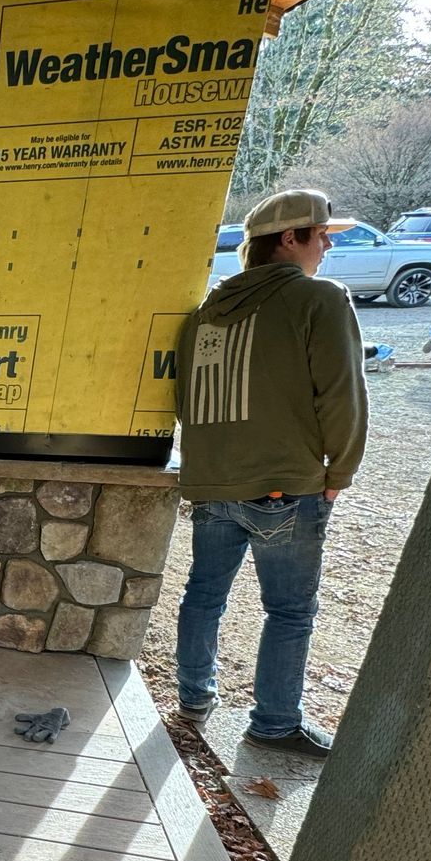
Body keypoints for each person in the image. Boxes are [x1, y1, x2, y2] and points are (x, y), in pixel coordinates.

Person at [173, 189, 367, 759]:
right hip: (285, 485)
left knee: (203, 595)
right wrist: (341, 469)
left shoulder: (205, 314)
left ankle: (192, 698)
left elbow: (187, 401)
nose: (328, 244)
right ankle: (275, 723)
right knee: (289, 610)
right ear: (290, 238)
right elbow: (341, 395)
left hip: (213, 484)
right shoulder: (317, 300)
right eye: (322, 234)